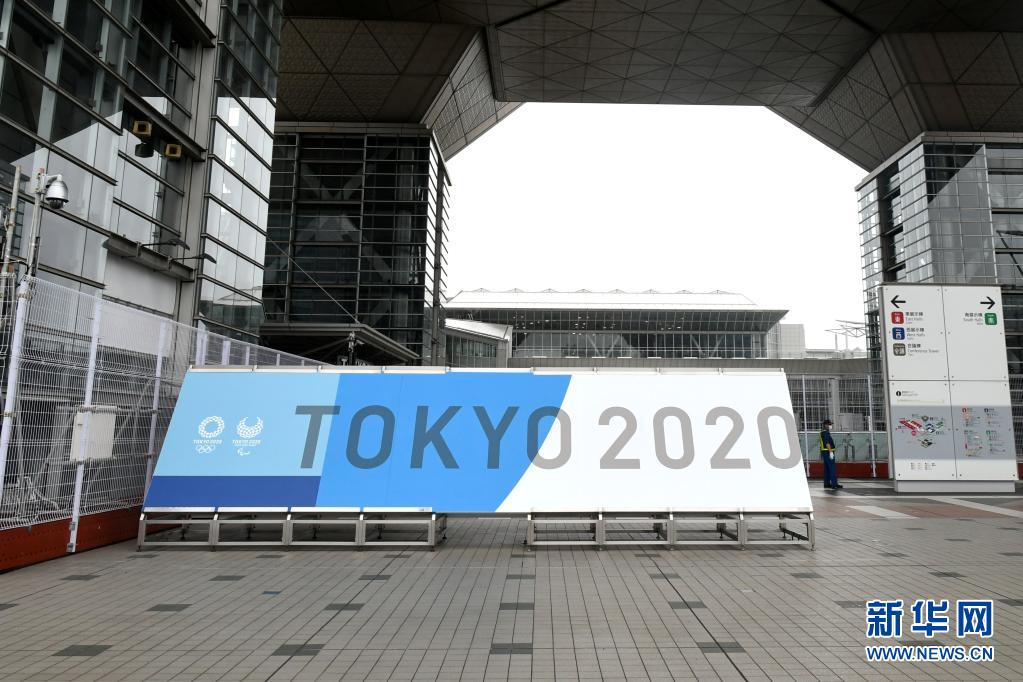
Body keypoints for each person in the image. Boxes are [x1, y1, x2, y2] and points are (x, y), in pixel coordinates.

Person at [820, 419, 842, 490]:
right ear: (825, 425)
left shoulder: (822, 432)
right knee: (832, 468)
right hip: (828, 452)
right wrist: (830, 452)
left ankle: (826, 484)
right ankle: (834, 484)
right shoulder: (826, 433)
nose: (831, 426)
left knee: (827, 469)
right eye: (830, 424)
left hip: (824, 452)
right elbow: (827, 443)